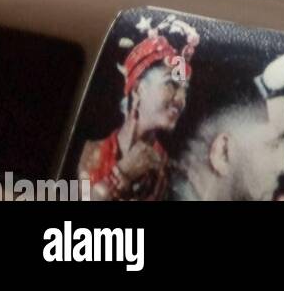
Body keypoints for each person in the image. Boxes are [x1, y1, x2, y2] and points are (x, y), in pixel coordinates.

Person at [78, 15, 200, 201]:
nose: (181, 99)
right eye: (172, 85)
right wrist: (122, 173)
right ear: (137, 89)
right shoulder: (91, 153)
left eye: (185, 90)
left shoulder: (171, 175)